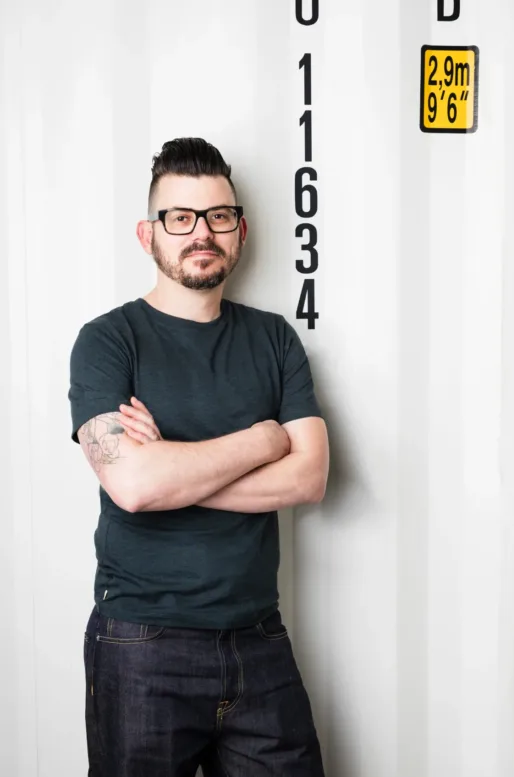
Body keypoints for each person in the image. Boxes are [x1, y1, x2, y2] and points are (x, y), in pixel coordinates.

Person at [68, 137, 330, 776]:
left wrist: (171, 470)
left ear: (239, 230)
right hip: (139, 645)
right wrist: (264, 440)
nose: (200, 232)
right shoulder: (107, 341)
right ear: (147, 233)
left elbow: (312, 476)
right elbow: (131, 487)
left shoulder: (273, 339)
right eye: (179, 217)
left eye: (217, 216)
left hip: (258, 638)